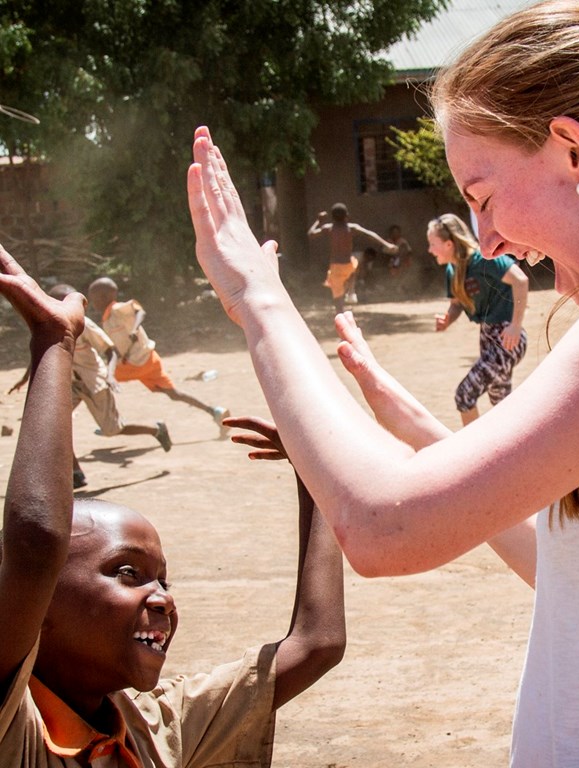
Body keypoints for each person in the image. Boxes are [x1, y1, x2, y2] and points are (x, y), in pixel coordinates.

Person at [187, 0, 579, 759]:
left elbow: (383, 528)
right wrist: (422, 434)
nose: (486, 234)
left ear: (572, 151)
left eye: (482, 194)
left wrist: (257, 295)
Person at [0, 245, 346, 767]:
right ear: (38, 603)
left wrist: (314, 473)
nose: (162, 598)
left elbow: (317, 643)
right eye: (126, 573)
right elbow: (33, 543)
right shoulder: (14, 730)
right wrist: (53, 341)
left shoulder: (157, 730)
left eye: (162, 580)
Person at [7, 283, 172, 490]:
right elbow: (39, 354)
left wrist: (111, 375)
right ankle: (76, 473)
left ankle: (156, 429)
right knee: (56, 425)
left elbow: (110, 350)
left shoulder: (84, 325)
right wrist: (24, 379)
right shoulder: (47, 326)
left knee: (112, 429)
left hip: (95, 382)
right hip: (71, 383)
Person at [87, 276, 230, 438]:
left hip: (136, 363)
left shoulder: (116, 309)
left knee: (101, 382)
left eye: (94, 299)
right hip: (148, 360)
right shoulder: (107, 318)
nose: (93, 303)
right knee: (174, 394)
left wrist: (135, 329)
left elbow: (139, 310)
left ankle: (110, 423)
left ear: (105, 297)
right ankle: (215, 412)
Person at [428, 213, 528, 425]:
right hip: (487, 337)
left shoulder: (484, 259)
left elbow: (521, 280)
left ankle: (473, 453)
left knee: (465, 395)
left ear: (448, 244)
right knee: (501, 403)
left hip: (507, 339)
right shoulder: (452, 270)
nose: (429, 250)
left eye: (432, 244)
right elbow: (456, 304)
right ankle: (517, 449)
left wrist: (515, 326)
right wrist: (448, 319)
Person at [308, 203, 398, 313]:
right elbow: (370, 234)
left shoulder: (328, 228)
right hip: (348, 265)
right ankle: (351, 292)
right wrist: (386, 244)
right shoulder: (352, 228)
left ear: (332, 217)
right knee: (354, 264)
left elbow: (311, 234)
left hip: (335, 268)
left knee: (339, 306)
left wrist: (319, 220)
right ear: (347, 216)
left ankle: (343, 305)